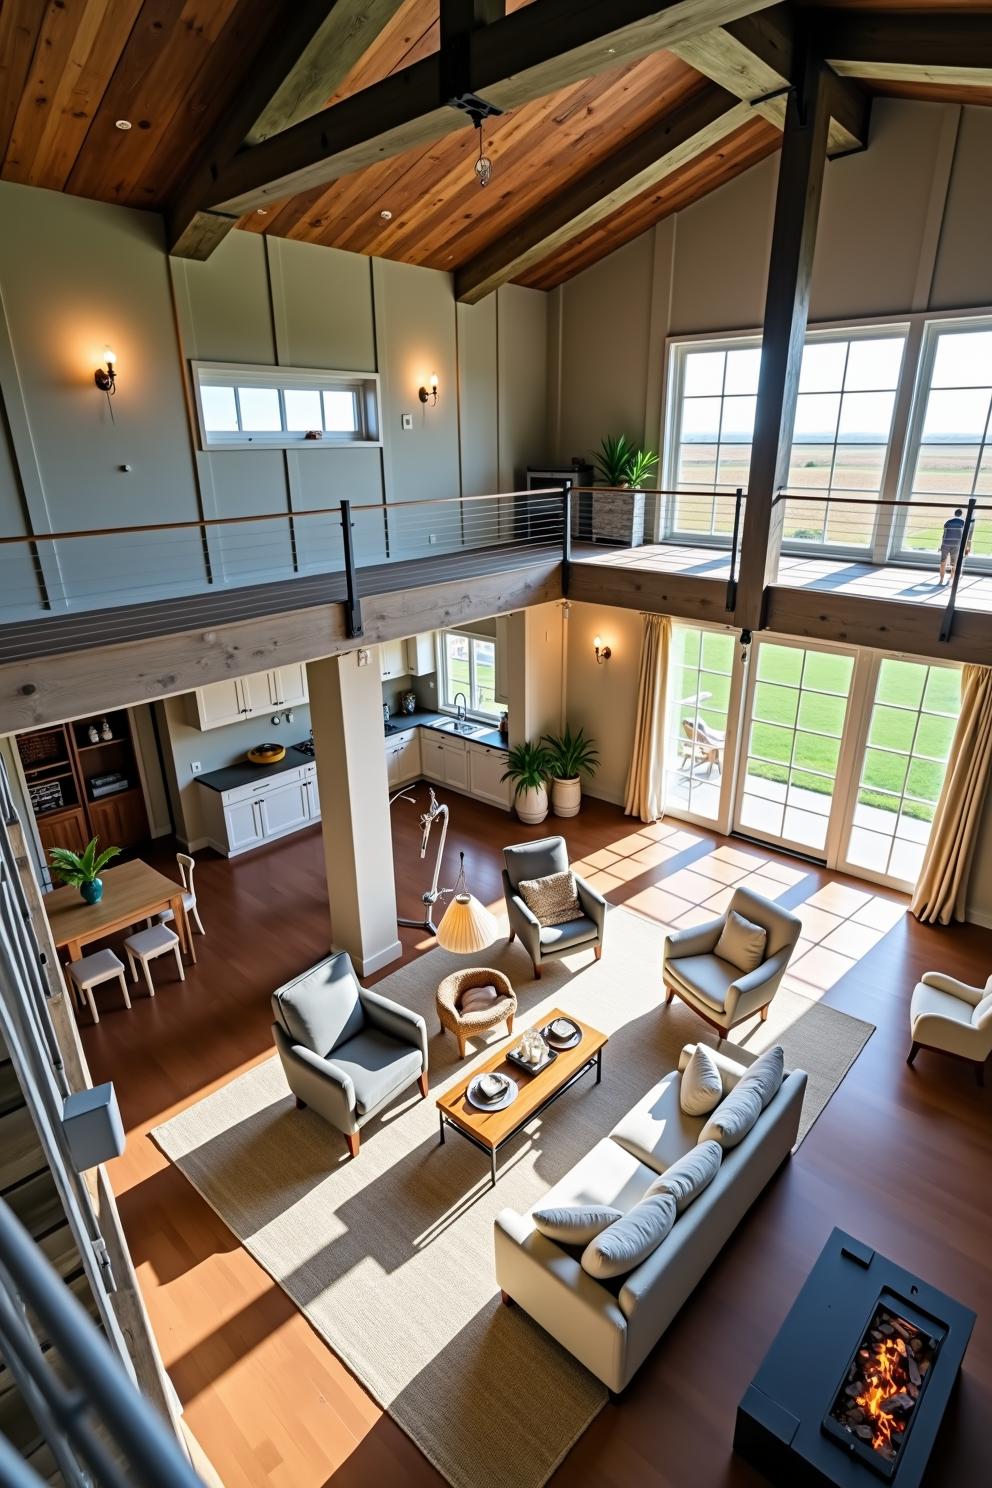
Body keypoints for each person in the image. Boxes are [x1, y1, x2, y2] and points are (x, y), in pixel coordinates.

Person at [938, 507, 971, 585]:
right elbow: (965, 536)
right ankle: (951, 578)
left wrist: (941, 545)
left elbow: (944, 535)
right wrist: (966, 546)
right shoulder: (963, 522)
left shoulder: (948, 522)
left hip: (946, 543)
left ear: (954, 514)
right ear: (961, 514)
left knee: (943, 561)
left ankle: (941, 579)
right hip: (956, 544)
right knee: (954, 563)